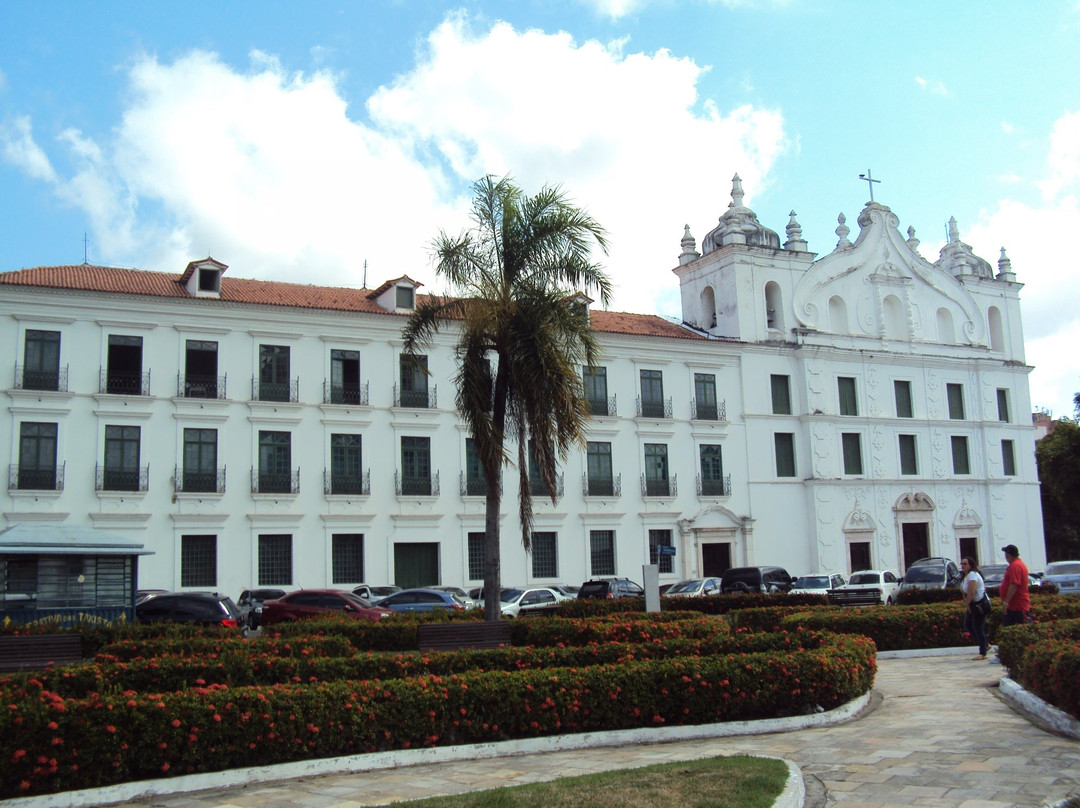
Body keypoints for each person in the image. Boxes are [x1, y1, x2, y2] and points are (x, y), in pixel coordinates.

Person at [960, 557, 989, 659]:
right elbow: (964, 591)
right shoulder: (965, 576)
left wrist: (967, 604)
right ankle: (985, 644)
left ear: (970, 565)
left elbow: (971, 592)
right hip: (972, 605)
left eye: (965, 564)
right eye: (962, 564)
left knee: (978, 627)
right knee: (968, 625)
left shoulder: (973, 575)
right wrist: (967, 604)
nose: (963, 566)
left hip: (979, 605)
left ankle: (983, 653)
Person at [999, 544, 1031, 627]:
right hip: (1014, 605)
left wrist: (1006, 602)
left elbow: (1014, 585)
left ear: (1008, 555)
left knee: (1024, 627)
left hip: (1017, 605)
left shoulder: (1015, 566)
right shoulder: (1017, 564)